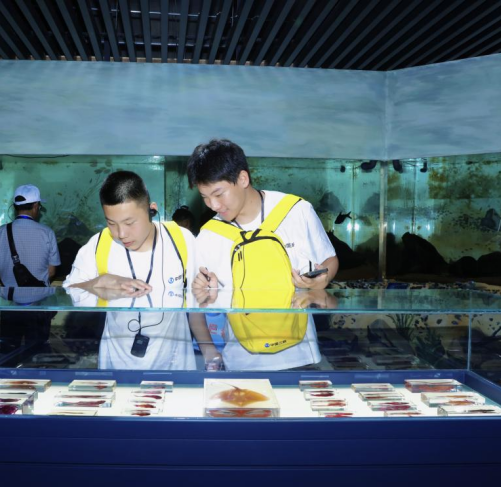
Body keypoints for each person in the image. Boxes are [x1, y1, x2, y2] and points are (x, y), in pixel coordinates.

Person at [189, 139, 339, 371]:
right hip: (241, 362)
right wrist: (209, 350)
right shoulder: (209, 236)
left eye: (218, 194)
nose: (213, 205)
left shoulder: (295, 211)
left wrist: (324, 278)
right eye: (205, 197)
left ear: (243, 179)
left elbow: (330, 259)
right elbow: (194, 306)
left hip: (300, 358)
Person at [63, 171, 199, 371]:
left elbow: (199, 300)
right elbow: (69, 289)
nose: (121, 234)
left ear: (151, 210)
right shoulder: (99, 244)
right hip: (116, 363)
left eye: (129, 223)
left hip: (174, 361)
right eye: (111, 223)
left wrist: (209, 349)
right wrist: (99, 282)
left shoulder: (181, 240)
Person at [0, 184, 60, 354]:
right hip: (39, 304)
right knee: (37, 353)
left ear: (15, 207)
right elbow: (51, 272)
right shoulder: (47, 232)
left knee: (8, 352)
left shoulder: (0, 232)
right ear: (36, 206)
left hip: (10, 304)